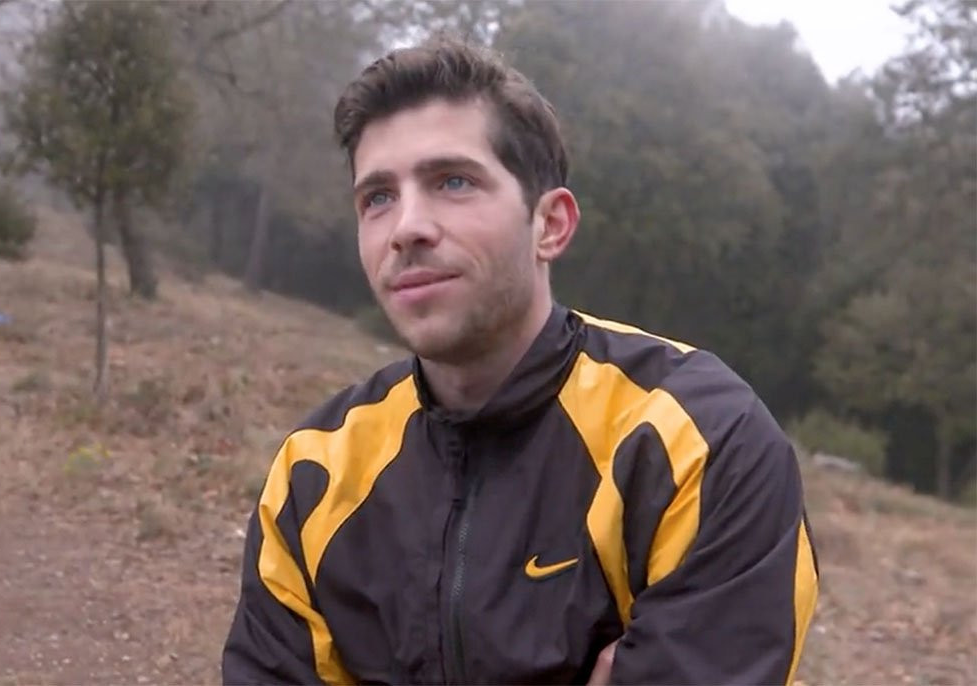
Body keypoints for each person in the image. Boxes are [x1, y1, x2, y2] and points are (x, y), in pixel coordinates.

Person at [221, 35, 818, 686]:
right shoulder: (313, 474)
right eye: (378, 197)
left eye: (453, 181)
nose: (406, 228)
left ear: (551, 225)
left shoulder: (697, 443)